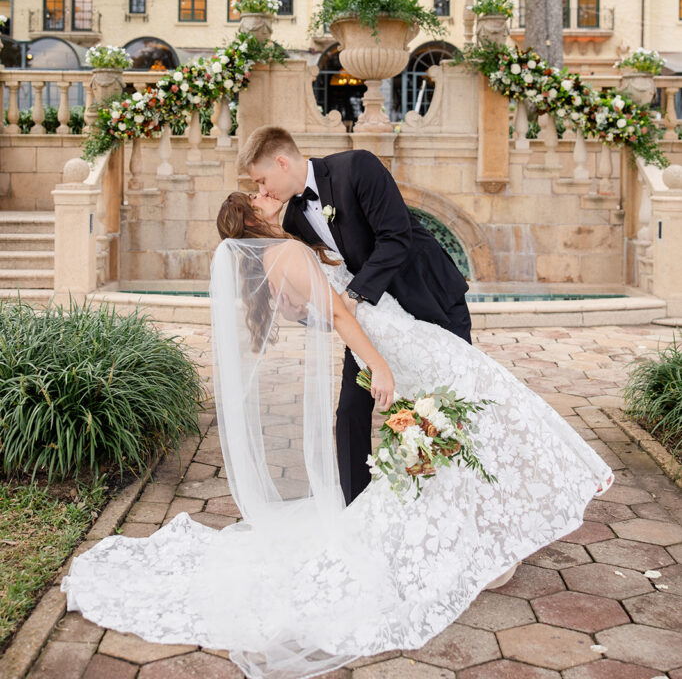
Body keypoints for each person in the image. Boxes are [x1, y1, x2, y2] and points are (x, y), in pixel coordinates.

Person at [61, 191, 613, 679]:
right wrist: (381, 366)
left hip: (396, 331)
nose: (266, 195)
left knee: (468, 407)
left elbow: (316, 314)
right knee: (480, 400)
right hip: (392, 338)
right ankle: (478, 532)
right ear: (253, 218)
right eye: (257, 197)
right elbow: (343, 320)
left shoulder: (276, 261)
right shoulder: (288, 254)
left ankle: (479, 525)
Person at [238, 125, 472, 504]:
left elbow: (397, 236)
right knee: (350, 410)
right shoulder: (294, 219)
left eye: (262, 181)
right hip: (373, 318)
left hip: (430, 297)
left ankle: (461, 500)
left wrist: (354, 295)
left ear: (282, 162)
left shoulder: (356, 167)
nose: (263, 191)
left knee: (454, 399)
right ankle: (354, 511)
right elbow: (312, 281)